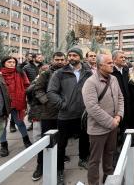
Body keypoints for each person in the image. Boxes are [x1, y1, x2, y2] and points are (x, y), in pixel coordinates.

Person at [47, 46, 91, 185]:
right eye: (70, 55)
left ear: (80, 57)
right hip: (65, 115)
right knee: (61, 144)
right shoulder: (60, 73)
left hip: (83, 114)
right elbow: (51, 92)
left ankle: (83, 159)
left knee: (84, 139)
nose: (71, 57)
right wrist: (63, 104)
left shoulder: (88, 72)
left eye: (74, 55)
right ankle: (59, 170)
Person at [82, 53, 124, 185]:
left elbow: (120, 98)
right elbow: (92, 108)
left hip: (113, 125)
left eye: (112, 62)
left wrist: (119, 115)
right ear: (100, 66)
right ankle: (93, 182)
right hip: (98, 129)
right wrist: (111, 121)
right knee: (94, 160)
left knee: (110, 153)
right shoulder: (90, 83)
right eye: (109, 63)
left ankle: (108, 177)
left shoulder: (114, 79)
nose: (112, 65)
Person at [31, 52, 67, 181]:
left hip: (63, 112)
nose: (60, 61)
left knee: (61, 141)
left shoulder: (68, 73)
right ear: (52, 60)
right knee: (45, 140)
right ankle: (40, 165)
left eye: (62, 59)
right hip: (48, 113)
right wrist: (47, 100)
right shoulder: (46, 74)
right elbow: (38, 89)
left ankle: (59, 169)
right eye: (57, 59)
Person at [0, 56, 32, 157]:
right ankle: (4, 145)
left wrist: (25, 97)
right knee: (2, 126)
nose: (12, 64)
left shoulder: (20, 72)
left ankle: (26, 140)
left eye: (14, 62)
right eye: (9, 62)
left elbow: (26, 85)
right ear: (3, 63)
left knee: (20, 122)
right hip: (2, 103)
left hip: (18, 102)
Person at [23, 53, 43, 131]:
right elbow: (23, 79)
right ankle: (32, 123)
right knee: (31, 107)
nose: (41, 59)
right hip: (30, 90)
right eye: (39, 57)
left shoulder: (44, 66)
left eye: (41, 57)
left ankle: (39, 123)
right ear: (34, 58)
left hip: (40, 89)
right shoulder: (26, 67)